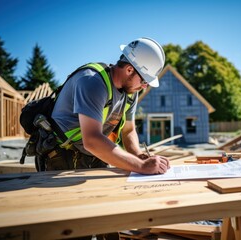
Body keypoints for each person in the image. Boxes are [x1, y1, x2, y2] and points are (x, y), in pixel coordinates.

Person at [39, 37, 170, 175]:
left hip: (96, 154)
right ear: (130, 69)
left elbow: (128, 131)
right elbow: (91, 140)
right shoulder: (92, 82)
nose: (144, 86)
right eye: (144, 80)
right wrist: (141, 166)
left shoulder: (131, 91)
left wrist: (138, 155)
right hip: (61, 155)